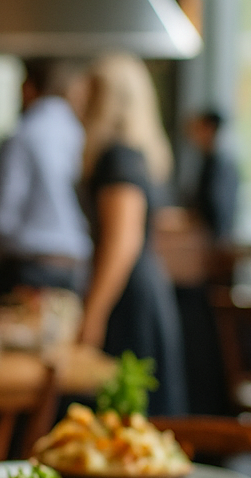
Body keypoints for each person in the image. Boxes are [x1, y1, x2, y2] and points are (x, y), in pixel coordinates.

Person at [76, 53, 188, 416]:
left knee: (125, 413)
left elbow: (122, 243)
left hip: (128, 294)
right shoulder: (136, 154)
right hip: (140, 287)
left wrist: (92, 315)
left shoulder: (118, 157)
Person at [0, 58, 93, 294]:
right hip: (77, 267)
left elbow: (3, 215)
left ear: (28, 88)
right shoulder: (81, 133)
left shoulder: (22, 135)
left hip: (32, 268)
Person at [186, 109, 240, 244]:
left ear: (209, 129)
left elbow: (216, 205)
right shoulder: (210, 161)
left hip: (212, 242)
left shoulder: (219, 165)